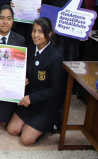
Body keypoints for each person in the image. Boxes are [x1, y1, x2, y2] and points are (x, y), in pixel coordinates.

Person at [7, 17, 64, 146]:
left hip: (45, 105)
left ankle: (48, 124)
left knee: (26, 140)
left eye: (40, 31)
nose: (36, 35)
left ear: (49, 34)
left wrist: (32, 98)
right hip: (29, 102)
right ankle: (33, 125)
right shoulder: (30, 49)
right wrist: (23, 80)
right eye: (34, 31)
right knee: (12, 130)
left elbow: (56, 89)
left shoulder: (56, 57)